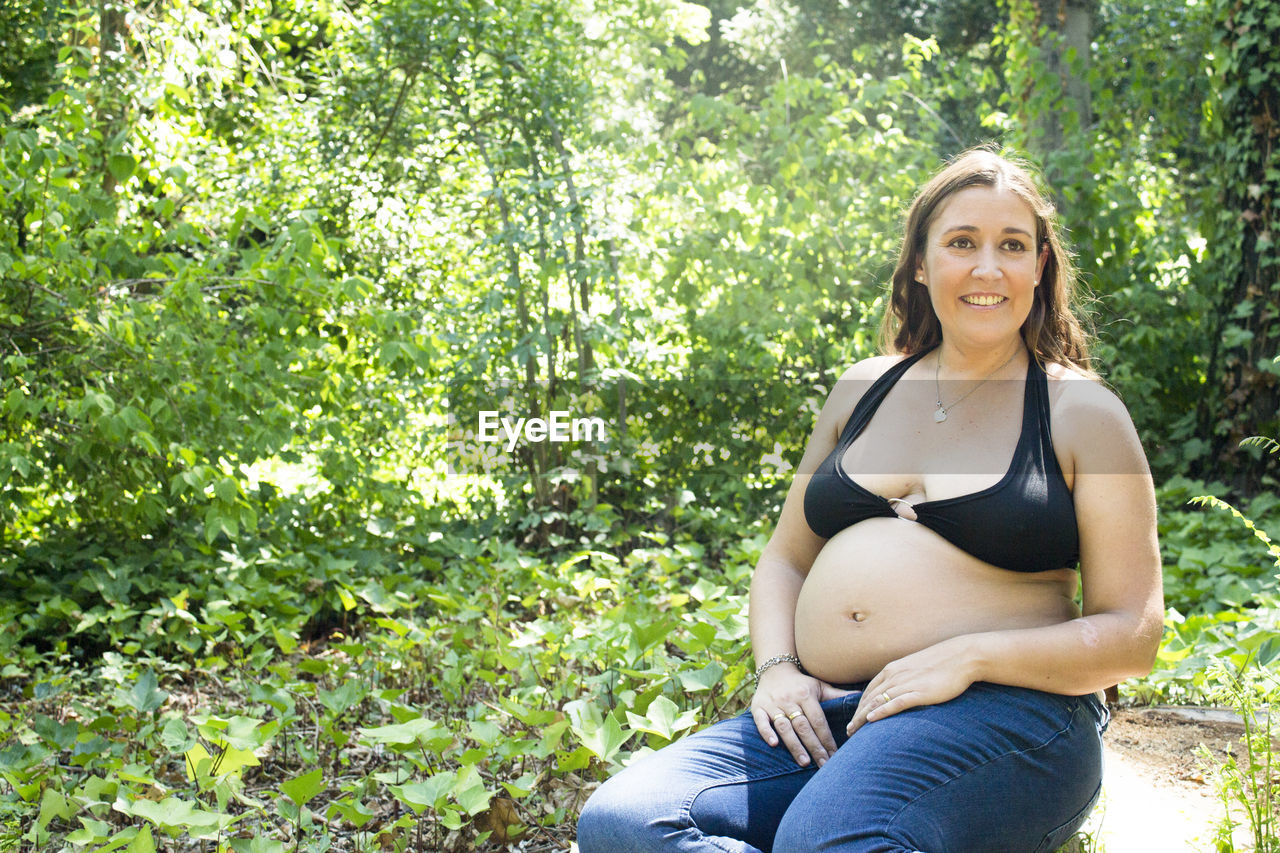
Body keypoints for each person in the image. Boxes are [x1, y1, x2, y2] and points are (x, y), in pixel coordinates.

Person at [575, 146, 1164, 853]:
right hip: (836, 710)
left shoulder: (1080, 413)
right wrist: (778, 671)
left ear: (1038, 267)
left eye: (1012, 246)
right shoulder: (864, 388)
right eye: (961, 243)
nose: (987, 268)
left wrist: (970, 656)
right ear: (921, 262)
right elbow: (784, 562)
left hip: (1011, 714)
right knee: (623, 820)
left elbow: (1134, 632)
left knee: (824, 839)